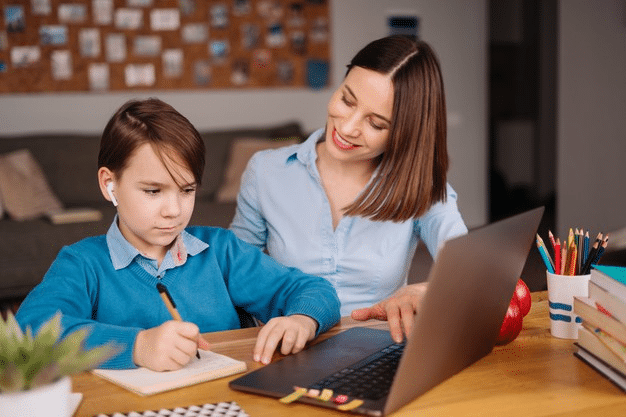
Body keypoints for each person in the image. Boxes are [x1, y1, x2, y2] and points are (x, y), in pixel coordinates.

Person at [16, 98, 340, 370]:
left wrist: (302, 318)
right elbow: (32, 328)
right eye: (154, 191)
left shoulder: (221, 251)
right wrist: (137, 346)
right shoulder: (82, 263)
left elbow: (312, 290)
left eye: (186, 190)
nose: (174, 210)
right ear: (109, 184)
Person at [230, 35, 467, 344]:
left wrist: (426, 290)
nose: (348, 127)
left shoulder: (422, 187)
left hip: (377, 350)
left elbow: (470, 272)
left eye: (377, 124)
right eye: (347, 100)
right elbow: (232, 273)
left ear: (404, 133)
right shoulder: (266, 172)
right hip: (285, 349)